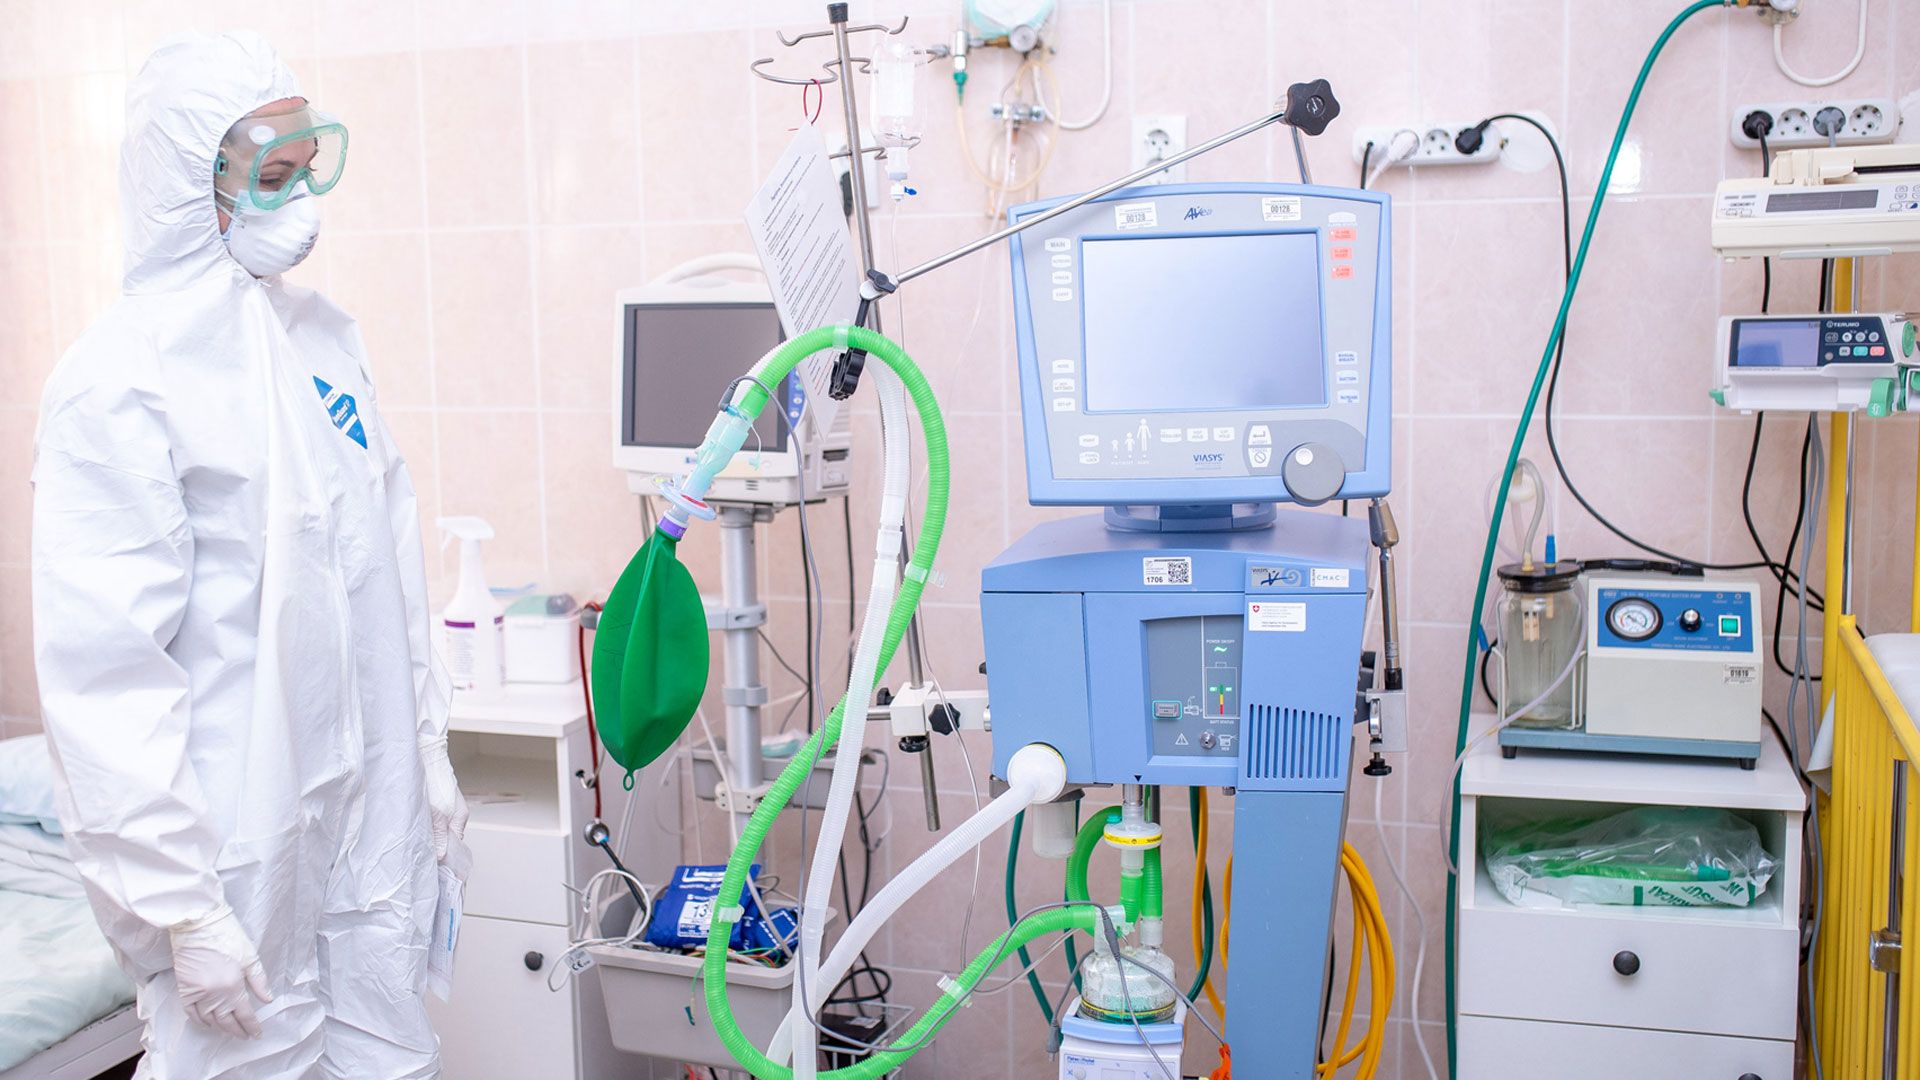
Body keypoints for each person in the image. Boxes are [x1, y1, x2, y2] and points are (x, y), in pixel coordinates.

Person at [30, 31, 467, 1079]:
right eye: (272, 179)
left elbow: (383, 575)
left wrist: (429, 749)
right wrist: (179, 910)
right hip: (235, 864)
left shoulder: (319, 339)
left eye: (303, 173)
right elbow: (108, 681)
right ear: (191, 185)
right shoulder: (118, 382)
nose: (301, 203)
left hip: (365, 847)